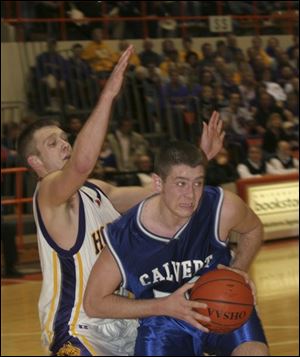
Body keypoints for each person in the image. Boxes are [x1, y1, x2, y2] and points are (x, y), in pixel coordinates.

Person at [17, 43, 224, 356]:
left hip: (122, 323)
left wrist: (202, 159)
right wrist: (108, 95)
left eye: (64, 138)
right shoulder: (48, 194)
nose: (64, 144)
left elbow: (164, 195)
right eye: (52, 143)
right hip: (77, 330)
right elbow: (82, 164)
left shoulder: (97, 191)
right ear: (36, 162)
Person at [83, 141, 270, 356]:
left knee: (255, 352)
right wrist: (162, 306)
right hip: (164, 322)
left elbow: (253, 228)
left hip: (222, 306)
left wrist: (239, 269)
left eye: (197, 183)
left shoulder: (220, 206)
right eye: (181, 183)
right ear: (158, 183)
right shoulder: (126, 235)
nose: (190, 195)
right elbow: (94, 303)